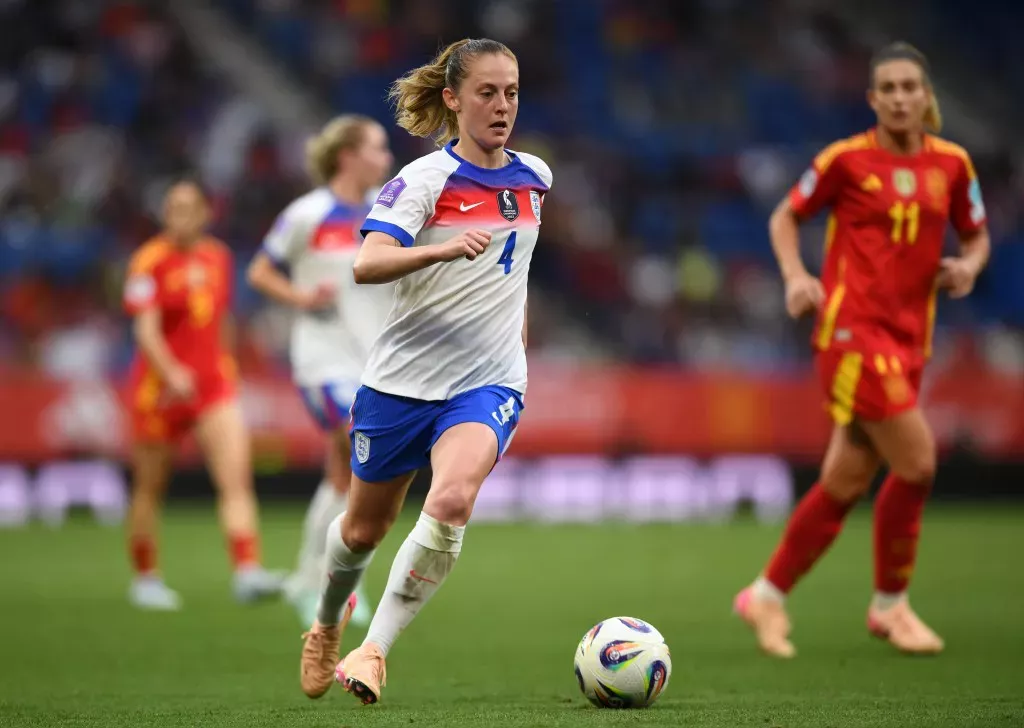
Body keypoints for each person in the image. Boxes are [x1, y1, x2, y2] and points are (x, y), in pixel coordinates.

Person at [297, 38, 552, 704]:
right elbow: (368, 262)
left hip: (488, 382)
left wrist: (516, 349)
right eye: (487, 93)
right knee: (362, 531)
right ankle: (326, 623)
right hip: (400, 385)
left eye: (511, 93)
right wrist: (437, 252)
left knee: (451, 500)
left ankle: (374, 650)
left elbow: (514, 274)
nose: (502, 106)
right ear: (453, 99)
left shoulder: (535, 177)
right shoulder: (423, 181)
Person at [734, 42, 990, 658]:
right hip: (851, 335)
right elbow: (784, 217)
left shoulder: (954, 165)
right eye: (889, 88)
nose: (900, 98)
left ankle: (765, 595)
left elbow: (977, 234)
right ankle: (890, 605)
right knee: (918, 463)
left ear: (926, 95)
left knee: (845, 481)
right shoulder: (845, 160)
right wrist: (796, 277)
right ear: (873, 98)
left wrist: (969, 267)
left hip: (910, 342)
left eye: (910, 87)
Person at [247, 115, 395, 628]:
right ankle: (338, 583)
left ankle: (312, 580)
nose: (386, 157)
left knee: (346, 475)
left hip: (374, 361)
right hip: (323, 360)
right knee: (359, 453)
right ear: (347, 156)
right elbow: (260, 271)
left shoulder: (389, 209)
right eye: (377, 147)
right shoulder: (307, 214)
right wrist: (302, 298)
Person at [123, 179, 284, 610]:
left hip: (213, 388)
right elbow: (145, 330)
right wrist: (171, 373)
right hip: (159, 391)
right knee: (149, 487)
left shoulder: (218, 257)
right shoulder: (148, 261)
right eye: (173, 208)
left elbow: (220, 319)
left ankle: (247, 571)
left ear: (205, 214)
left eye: (188, 208)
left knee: (235, 478)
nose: (179, 216)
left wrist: (228, 365)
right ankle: (145, 578)